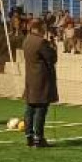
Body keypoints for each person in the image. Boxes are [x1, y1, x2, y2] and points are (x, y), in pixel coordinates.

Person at [22, 20, 58, 148]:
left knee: (30, 109)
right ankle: (39, 138)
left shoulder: (27, 40)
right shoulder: (41, 42)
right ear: (39, 28)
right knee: (41, 109)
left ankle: (29, 137)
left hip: (30, 79)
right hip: (41, 79)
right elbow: (52, 58)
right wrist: (53, 47)